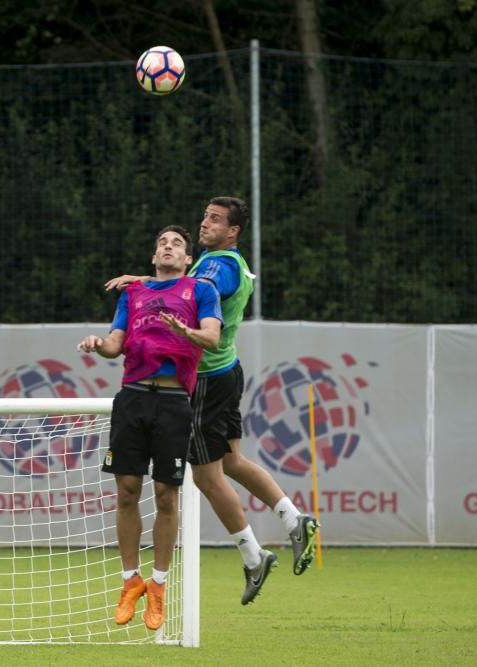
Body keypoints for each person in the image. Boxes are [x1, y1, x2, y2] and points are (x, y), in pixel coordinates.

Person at [106, 196, 320, 605]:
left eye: (215, 220)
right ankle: (292, 521)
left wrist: (145, 282)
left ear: (233, 232)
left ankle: (255, 556)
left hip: (203, 378)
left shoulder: (219, 266)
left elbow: (199, 291)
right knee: (231, 462)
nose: (205, 223)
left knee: (206, 476)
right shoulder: (218, 259)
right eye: (204, 216)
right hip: (225, 372)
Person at [78, 225, 222, 631]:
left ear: (188, 259)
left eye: (176, 243)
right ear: (153, 257)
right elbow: (115, 344)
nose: (168, 247)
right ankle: (129, 581)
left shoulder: (200, 292)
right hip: (132, 397)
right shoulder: (133, 294)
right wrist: (96, 343)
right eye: (162, 243)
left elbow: (211, 338)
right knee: (126, 491)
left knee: (166, 496)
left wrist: (185, 332)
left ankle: (158, 585)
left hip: (175, 401)